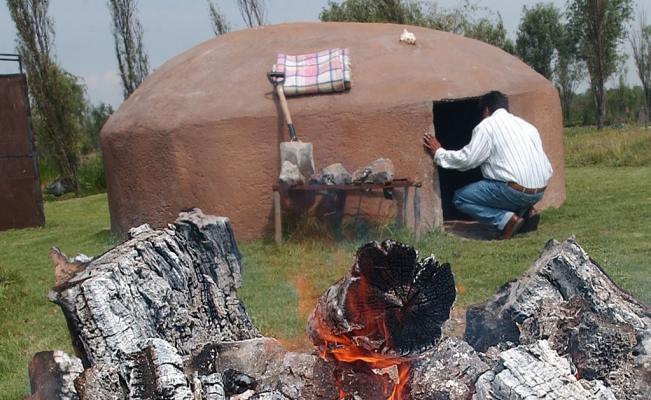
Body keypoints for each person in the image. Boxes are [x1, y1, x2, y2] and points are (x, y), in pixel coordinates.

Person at [423, 91, 553, 239]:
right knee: (503, 185)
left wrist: (439, 152)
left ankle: (505, 220)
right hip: (539, 191)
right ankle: (526, 212)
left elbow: (468, 160)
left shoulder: (487, 126)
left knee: (461, 198)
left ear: (486, 110)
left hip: (513, 191)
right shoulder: (528, 126)